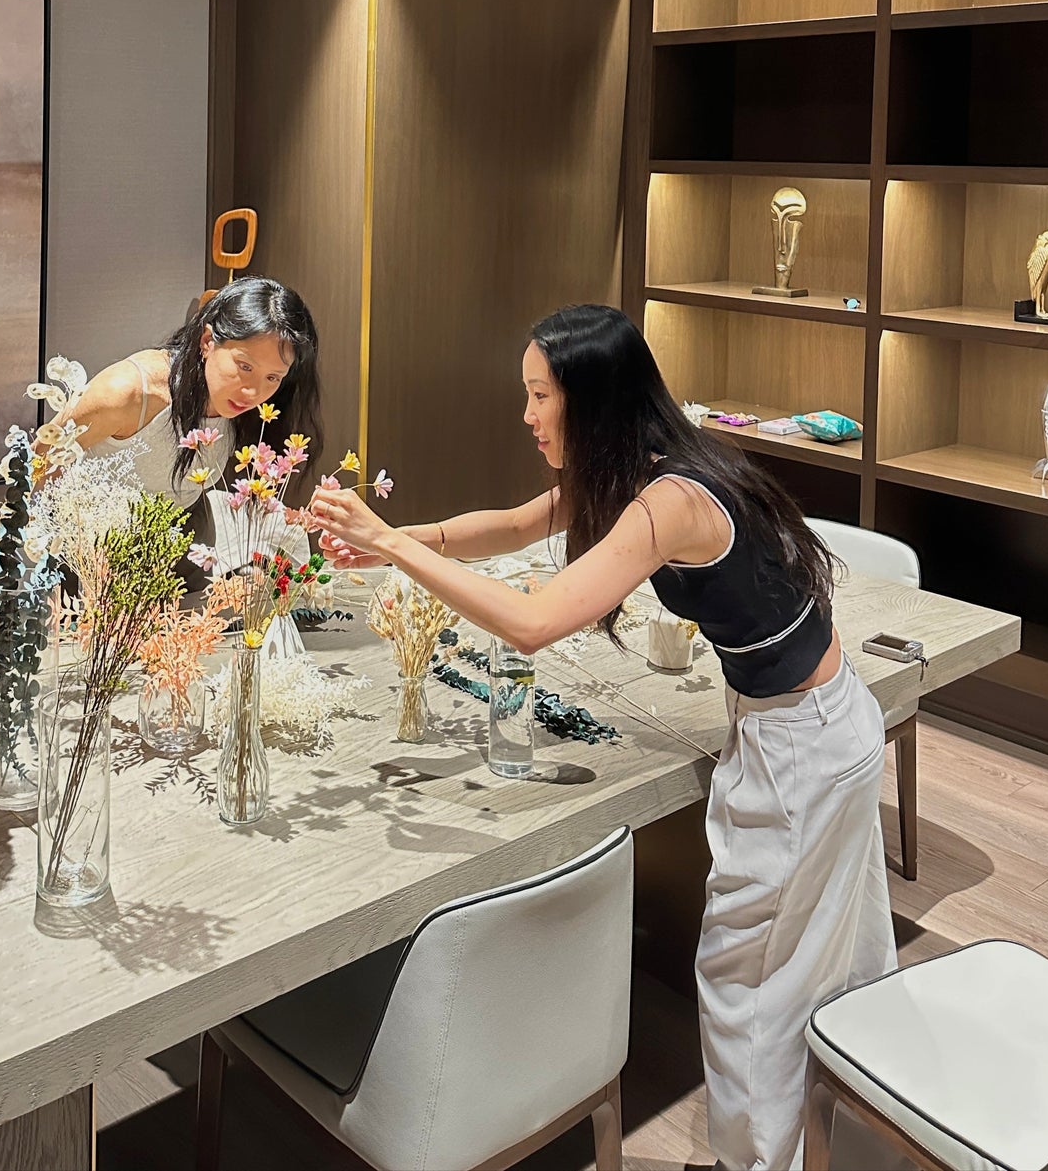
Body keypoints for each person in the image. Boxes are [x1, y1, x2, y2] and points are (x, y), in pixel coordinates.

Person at [312, 303, 895, 1171]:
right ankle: (854, 1143)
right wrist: (396, 539)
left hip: (801, 749)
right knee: (825, 955)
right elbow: (514, 526)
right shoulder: (642, 467)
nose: (526, 414)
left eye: (538, 394)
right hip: (820, 724)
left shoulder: (671, 499)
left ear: (591, 398)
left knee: (747, 982)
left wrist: (394, 548)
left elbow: (533, 622)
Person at [55, 276, 323, 509]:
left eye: (273, 377)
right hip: (88, 539)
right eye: (244, 366)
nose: (253, 391)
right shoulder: (128, 392)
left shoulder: (249, 409)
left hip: (181, 535)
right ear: (207, 341)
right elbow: (41, 462)